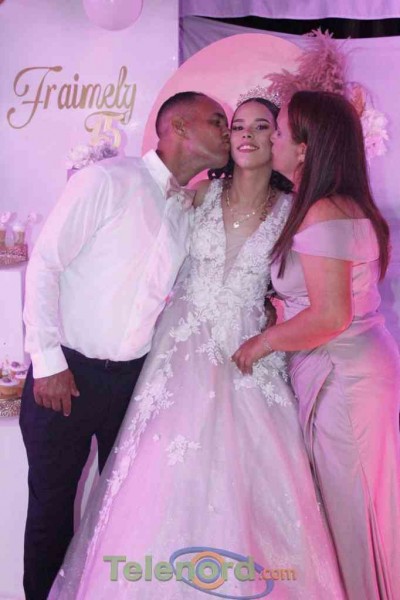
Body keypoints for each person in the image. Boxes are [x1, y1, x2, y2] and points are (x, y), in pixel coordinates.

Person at [49, 96, 344, 599]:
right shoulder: (200, 194)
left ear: (279, 139)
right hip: (177, 350)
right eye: (237, 125)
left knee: (247, 488)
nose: (246, 135)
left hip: (249, 356)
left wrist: (274, 320)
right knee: (160, 476)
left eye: (262, 126)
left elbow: (306, 289)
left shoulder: (295, 211)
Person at [19, 91, 230, 600]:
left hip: (135, 382)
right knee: (52, 511)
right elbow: (45, 265)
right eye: (217, 121)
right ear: (179, 127)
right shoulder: (107, 180)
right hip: (66, 375)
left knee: (120, 512)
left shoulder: (186, 208)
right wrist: (47, 362)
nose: (227, 132)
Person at [232, 90, 400, 600]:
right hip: (354, 368)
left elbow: (330, 315)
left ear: (304, 148)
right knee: (365, 509)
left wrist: (263, 342)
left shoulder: (323, 211)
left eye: (280, 132)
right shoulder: (340, 204)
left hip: (343, 377)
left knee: (355, 515)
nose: (272, 141)